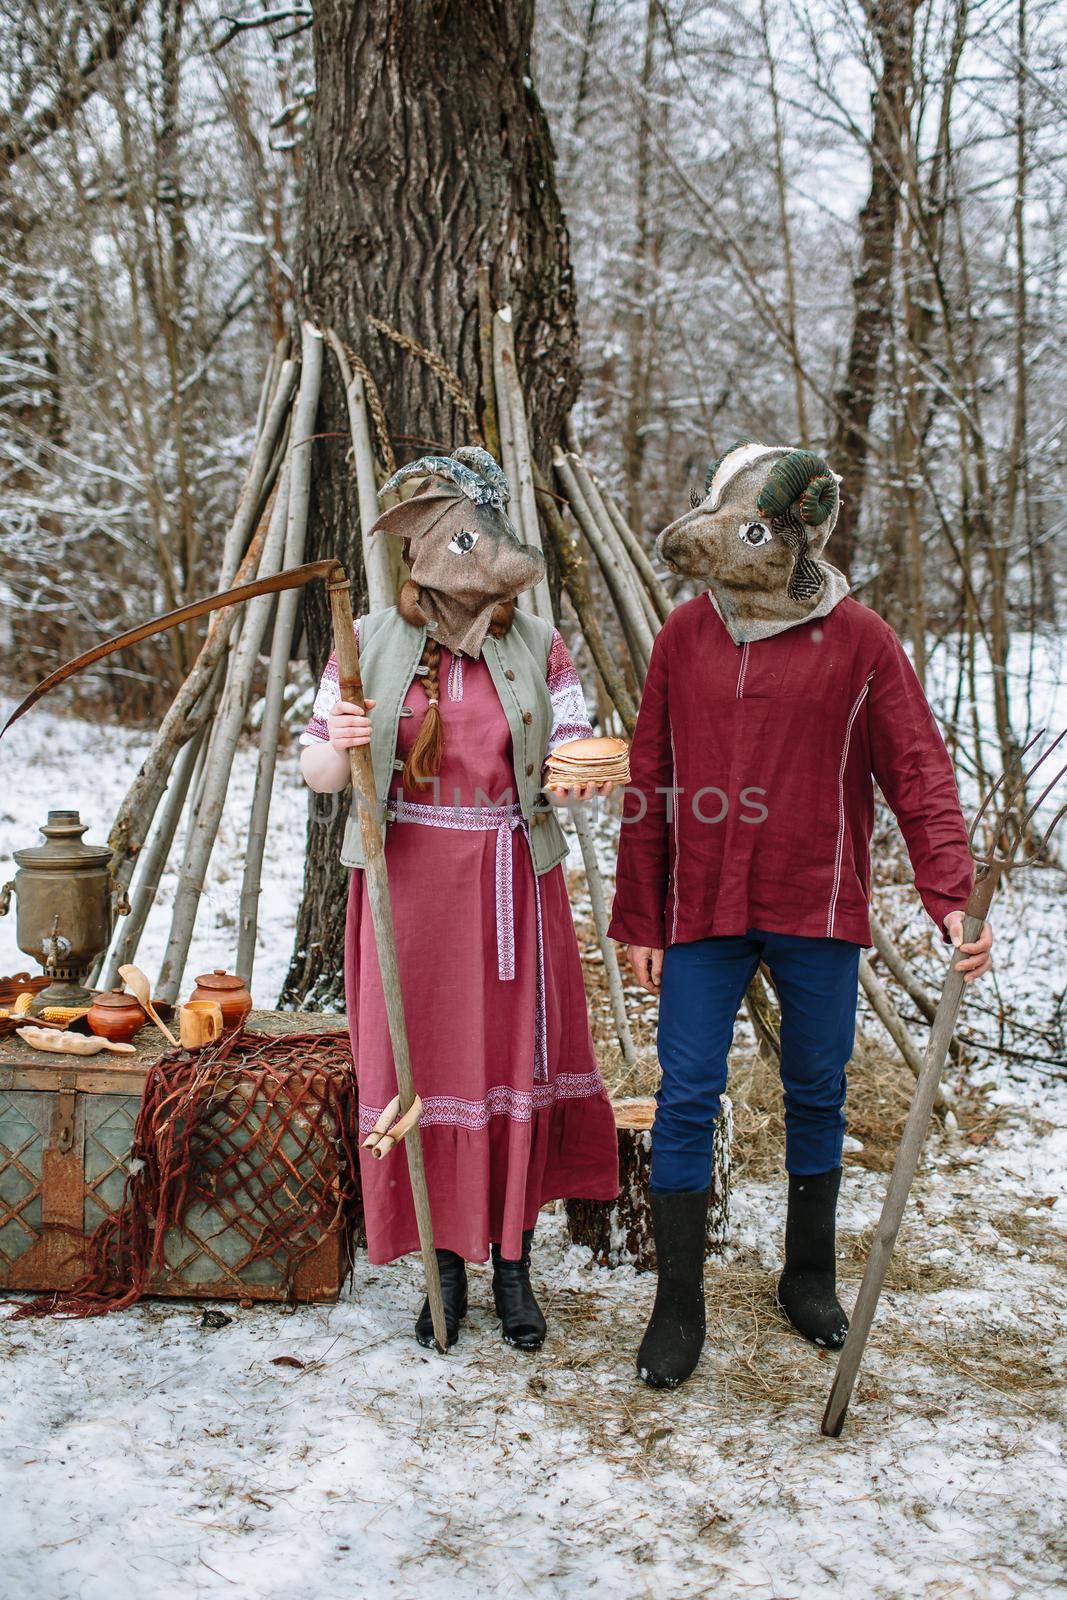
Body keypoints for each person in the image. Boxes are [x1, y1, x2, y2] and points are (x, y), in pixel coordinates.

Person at [607, 441, 994, 1390]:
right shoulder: (684, 636)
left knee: (817, 1088)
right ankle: (677, 1302)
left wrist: (951, 893)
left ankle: (807, 1275)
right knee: (688, 1090)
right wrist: (640, 916)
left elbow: (915, 769)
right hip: (703, 904)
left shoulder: (858, 637)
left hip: (815, 902)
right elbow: (649, 778)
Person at [301, 447, 619, 1351]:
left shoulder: (537, 642)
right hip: (406, 890)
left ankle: (512, 1261)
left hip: (511, 884)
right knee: (420, 1069)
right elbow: (316, 769)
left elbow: (570, 748)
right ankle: (443, 1263)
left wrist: (575, 778)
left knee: (507, 1066)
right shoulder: (368, 640)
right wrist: (345, 737)